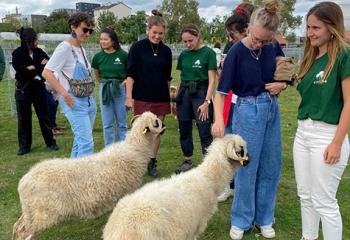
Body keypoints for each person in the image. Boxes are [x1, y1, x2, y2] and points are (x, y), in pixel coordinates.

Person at [212, 0, 287, 239]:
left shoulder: (273, 45)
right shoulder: (236, 52)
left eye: (265, 41)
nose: (260, 44)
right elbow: (220, 93)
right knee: (246, 166)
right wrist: (218, 121)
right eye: (256, 38)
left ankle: (265, 218)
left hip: (270, 109)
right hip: (246, 109)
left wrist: (282, 85)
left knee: (271, 166)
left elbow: (284, 74)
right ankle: (241, 219)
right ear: (249, 27)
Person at [293, 2, 350, 240]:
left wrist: (336, 143)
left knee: (324, 202)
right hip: (302, 133)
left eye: (316, 28)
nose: (310, 33)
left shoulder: (344, 56)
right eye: (308, 27)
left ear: (331, 27)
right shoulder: (311, 57)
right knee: (305, 196)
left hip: (328, 135)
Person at [42, 12, 97, 158]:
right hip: (74, 101)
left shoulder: (82, 49)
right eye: (85, 29)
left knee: (80, 142)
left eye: (90, 31)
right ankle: (82, 179)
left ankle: (70, 177)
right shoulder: (64, 48)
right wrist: (65, 94)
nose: (87, 34)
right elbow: (47, 73)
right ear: (73, 27)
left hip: (88, 101)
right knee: (87, 144)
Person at [125, 9, 172, 177]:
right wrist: (129, 97)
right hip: (141, 96)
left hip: (160, 97)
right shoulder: (137, 48)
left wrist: (170, 100)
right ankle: (138, 161)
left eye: (161, 33)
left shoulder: (166, 51)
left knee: (156, 131)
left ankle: (152, 161)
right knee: (141, 132)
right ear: (148, 30)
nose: (157, 36)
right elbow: (130, 74)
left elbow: (168, 78)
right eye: (155, 32)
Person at [217, 3, 254, 202]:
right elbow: (223, 71)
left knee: (243, 142)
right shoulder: (231, 44)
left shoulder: (260, 44)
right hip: (230, 98)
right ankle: (229, 184)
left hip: (248, 102)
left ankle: (242, 184)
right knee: (229, 138)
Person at [174, 24, 216, 174]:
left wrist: (206, 102)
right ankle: (187, 161)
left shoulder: (208, 53)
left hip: (201, 93)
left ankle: (209, 165)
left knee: (204, 129)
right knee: (184, 128)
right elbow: (181, 78)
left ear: (197, 36)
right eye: (185, 41)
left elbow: (212, 80)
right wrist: (177, 99)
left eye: (190, 40)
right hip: (185, 93)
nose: (187, 44)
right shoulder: (184, 55)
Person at [12, 27, 59, 155]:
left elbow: (48, 66)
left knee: (44, 116)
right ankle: (24, 146)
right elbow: (21, 72)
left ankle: (50, 142)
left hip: (38, 89)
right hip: (23, 90)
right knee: (24, 118)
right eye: (35, 39)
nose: (37, 41)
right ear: (29, 40)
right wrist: (39, 67)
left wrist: (33, 68)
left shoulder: (40, 52)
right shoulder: (17, 54)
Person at [92, 27, 128, 146]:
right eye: (101, 39)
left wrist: (124, 83)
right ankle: (109, 150)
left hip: (120, 89)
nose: (103, 42)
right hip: (105, 89)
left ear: (113, 41)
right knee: (107, 123)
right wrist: (103, 83)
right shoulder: (97, 57)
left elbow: (131, 73)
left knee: (122, 123)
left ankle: (123, 149)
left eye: (105, 39)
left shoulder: (123, 55)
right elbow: (97, 75)